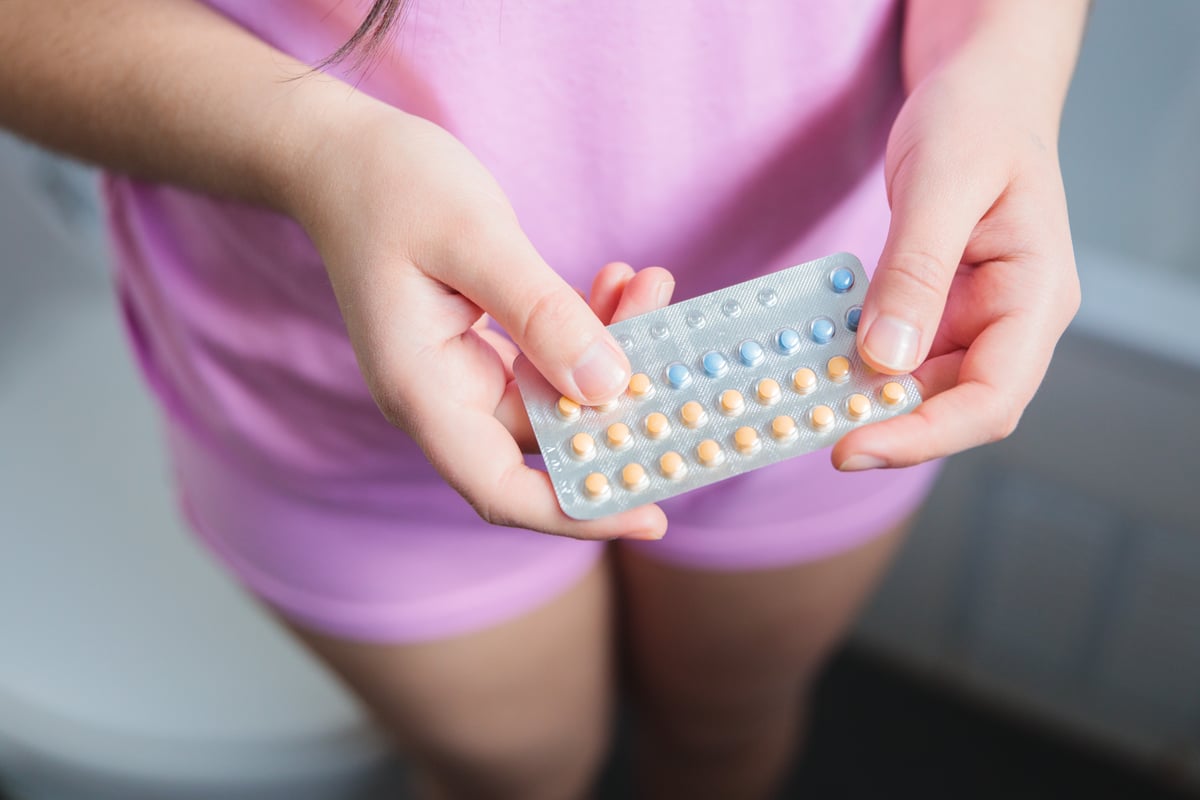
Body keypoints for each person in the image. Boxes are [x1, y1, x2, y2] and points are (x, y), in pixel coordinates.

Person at [0, 0, 1087, 797]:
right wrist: (316, 152)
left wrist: (1001, 67)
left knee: (724, 735)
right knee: (516, 783)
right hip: (335, 389)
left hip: (836, 338)